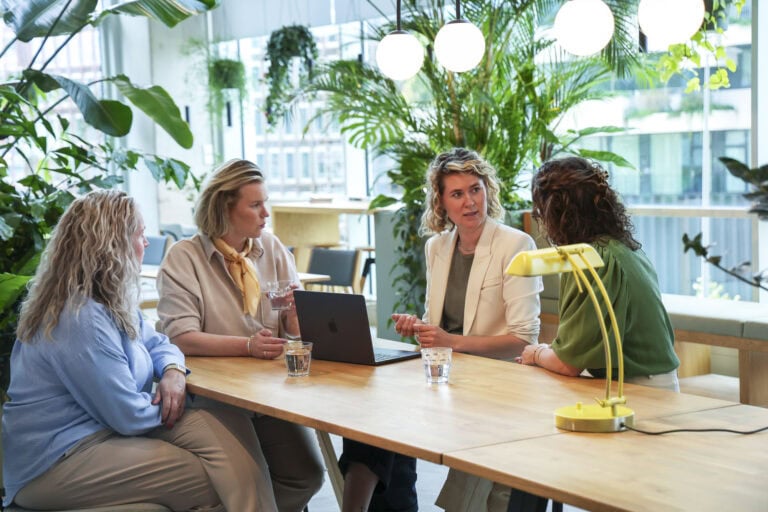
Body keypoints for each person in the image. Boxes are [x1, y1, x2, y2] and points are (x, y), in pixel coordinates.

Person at [1, 190, 277, 511]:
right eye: (140, 234)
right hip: (59, 457)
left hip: (107, 429)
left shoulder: (107, 299)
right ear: (111, 245)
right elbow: (128, 416)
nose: (146, 243)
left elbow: (158, 341)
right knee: (212, 476)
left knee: (231, 432)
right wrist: (179, 399)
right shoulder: (79, 317)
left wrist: (173, 372)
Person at [339, 148, 543, 512]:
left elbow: (524, 339)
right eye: (457, 193)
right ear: (441, 203)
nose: (470, 202)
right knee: (375, 414)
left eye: (476, 189)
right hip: (446, 375)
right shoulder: (438, 247)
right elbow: (442, 324)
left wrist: (451, 343)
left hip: (498, 380)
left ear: (488, 191)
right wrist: (419, 327)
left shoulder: (515, 244)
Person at [157, 159, 324, 512]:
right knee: (252, 481)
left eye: (266, 201)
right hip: (215, 399)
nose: (266, 213)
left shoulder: (273, 249)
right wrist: (247, 347)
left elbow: (292, 332)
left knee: (307, 475)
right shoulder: (184, 258)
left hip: (269, 394)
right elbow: (180, 337)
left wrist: (296, 315)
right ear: (224, 208)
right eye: (255, 204)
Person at [517, 156, 680, 391]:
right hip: (654, 381)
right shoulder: (620, 248)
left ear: (554, 213)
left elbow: (567, 364)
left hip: (639, 388)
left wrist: (537, 353)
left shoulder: (592, 258)